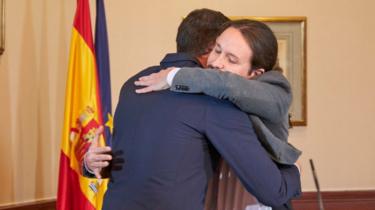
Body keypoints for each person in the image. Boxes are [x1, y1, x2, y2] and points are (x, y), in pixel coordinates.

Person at [84, 9, 301, 210]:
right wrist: (295, 172)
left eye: (231, 58)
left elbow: (151, 161)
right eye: (218, 50)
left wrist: (91, 165)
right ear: (210, 49)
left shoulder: (133, 84)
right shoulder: (213, 100)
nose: (218, 64)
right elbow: (273, 191)